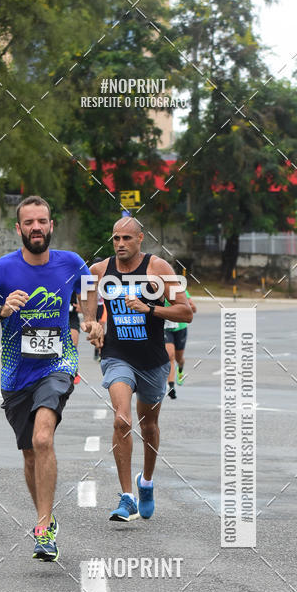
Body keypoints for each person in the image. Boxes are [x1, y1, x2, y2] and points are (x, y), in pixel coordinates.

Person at [0, 195, 88, 562]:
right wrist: (1, 310)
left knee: (43, 437)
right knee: (30, 452)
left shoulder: (71, 263)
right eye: (29, 222)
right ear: (19, 229)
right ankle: (43, 517)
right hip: (16, 373)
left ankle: (44, 526)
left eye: (42, 221)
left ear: (52, 226)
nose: (37, 227)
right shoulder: (1, 270)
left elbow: (91, 291)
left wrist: (92, 321)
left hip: (58, 362)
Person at [82, 216, 192, 522]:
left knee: (148, 426)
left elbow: (186, 311)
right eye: (116, 238)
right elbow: (88, 299)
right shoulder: (100, 270)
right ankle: (127, 496)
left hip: (153, 361)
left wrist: (150, 308)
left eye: (126, 239)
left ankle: (146, 483)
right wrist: (91, 323)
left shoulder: (158, 269)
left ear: (140, 239)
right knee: (121, 420)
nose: (120, 244)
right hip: (117, 356)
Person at [165, 289, 197, 399]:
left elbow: (194, 309)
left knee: (179, 358)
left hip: (180, 328)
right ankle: (171, 386)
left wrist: (188, 307)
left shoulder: (179, 290)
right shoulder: (156, 290)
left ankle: (180, 369)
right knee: (170, 356)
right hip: (165, 328)